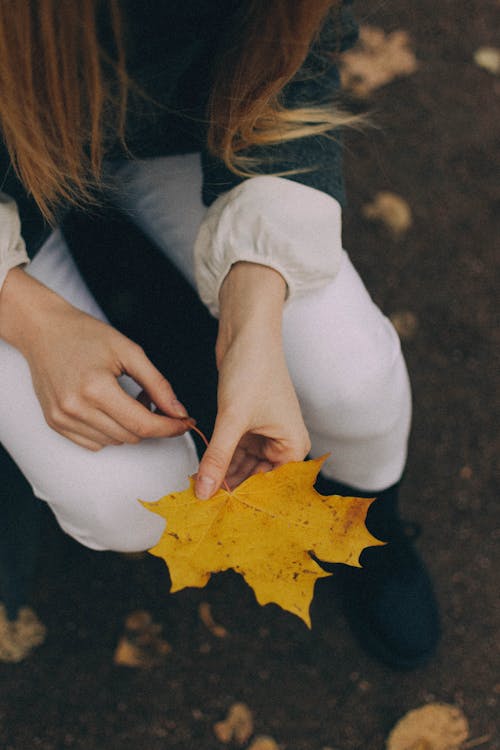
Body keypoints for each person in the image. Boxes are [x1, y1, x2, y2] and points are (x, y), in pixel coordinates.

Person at [0, 0, 439, 668]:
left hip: (196, 124)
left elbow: (298, 61)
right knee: (123, 497)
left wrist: (253, 317)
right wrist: (29, 317)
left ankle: (367, 528)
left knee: (352, 383)